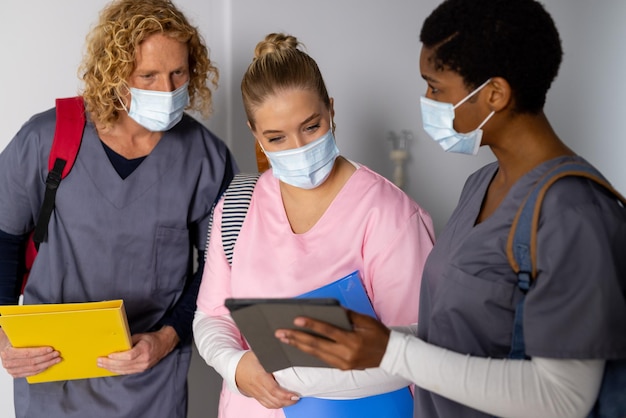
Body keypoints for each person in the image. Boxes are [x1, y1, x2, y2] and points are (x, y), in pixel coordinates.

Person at [274, 1, 626, 417]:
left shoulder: (575, 214)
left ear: (495, 93)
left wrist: (393, 351)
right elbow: (465, 328)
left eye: (436, 88)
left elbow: (563, 398)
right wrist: (368, 339)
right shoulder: (480, 185)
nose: (427, 100)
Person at [0, 0, 237, 417]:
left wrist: (167, 337)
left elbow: (221, 268)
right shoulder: (47, 140)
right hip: (53, 372)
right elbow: (3, 239)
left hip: (151, 379)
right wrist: (1, 336)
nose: (167, 90)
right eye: (148, 75)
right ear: (114, 73)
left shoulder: (205, 158)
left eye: (178, 73)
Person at [193, 33, 435, 418]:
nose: (298, 148)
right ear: (255, 134)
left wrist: (284, 376)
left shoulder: (388, 214)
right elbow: (211, 317)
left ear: (331, 111)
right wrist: (236, 367)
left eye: (311, 127)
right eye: (276, 137)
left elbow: (420, 351)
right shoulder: (239, 205)